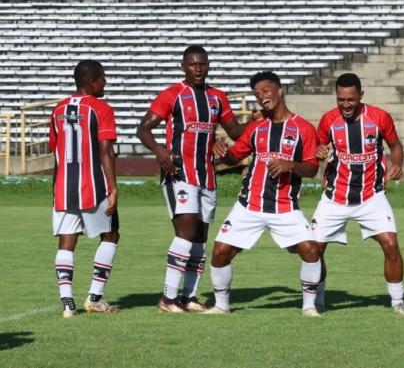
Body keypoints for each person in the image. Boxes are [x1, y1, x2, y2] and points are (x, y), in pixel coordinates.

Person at [137, 45, 253, 313]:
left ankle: (188, 297)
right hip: (180, 174)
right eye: (193, 64)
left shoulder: (216, 98)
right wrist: (159, 150)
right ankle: (167, 298)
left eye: (202, 64)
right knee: (186, 233)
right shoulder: (172, 94)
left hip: (207, 177)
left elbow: (235, 130)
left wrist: (259, 121)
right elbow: (143, 128)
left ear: (208, 65)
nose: (198, 69)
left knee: (200, 239)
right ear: (183, 67)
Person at [205, 71, 322, 317]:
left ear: (279, 91)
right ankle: (221, 306)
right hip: (250, 204)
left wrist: (291, 165)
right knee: (219, 252)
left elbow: (312, 168)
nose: (261, 97)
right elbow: (234, 156)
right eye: (257, 94)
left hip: (285, 207)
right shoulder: (257, 127)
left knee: (311, 250)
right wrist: (221, 151)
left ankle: (309, 307)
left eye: (265, 91)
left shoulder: (303, 128)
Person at [309, 73, 404, 315]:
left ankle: (398, 301)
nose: (345, 104)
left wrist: (397, 165)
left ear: (361, 96)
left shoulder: (379, 117)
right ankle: (318, 299)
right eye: (341, 99)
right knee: (314, 249)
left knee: (391, 245)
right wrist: (319, 153)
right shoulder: (328, 120)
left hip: (371, 196)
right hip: (336, 196)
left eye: (351, 100)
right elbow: (317, 149)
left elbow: (395, 145)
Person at [49, 60, 120, 318]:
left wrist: (55, 188)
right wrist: (112, 186)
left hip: (63, 187)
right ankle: (94, 297)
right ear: (91, 81)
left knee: (67, 243)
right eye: (103, 78)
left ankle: (68, 305)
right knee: (111, 235)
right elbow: (105, 150)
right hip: (94, 187)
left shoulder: (57, 109)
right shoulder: (101, 108)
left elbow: (55, 150)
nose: (105, 83)